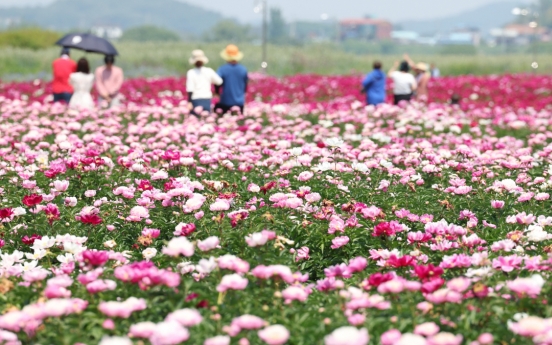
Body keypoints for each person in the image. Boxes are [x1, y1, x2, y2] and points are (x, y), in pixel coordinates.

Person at [185, 50, 223, 116]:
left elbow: (190, 89)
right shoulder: (209, 71)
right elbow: (219, 82)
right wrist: (217, 92)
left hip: (195, 99)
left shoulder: (191, 72)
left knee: (196, 120)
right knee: (206, 119)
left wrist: (189, 102)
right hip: (206, 99)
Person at [214, 45, 248, 115]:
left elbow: (216, 82)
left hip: (226, 102)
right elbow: (245, 86)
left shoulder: (222, 69)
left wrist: (217, 92)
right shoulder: (243, 69)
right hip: (239, 102)